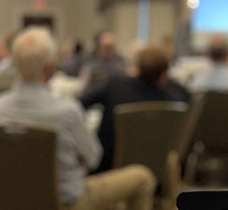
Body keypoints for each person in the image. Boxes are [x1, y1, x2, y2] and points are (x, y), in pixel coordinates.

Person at [0, 27, 157, 210]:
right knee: (143, 177)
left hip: (16, 206)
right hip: (66, 206)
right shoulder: (67, 111)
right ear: (50, 68)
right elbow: (93, 159)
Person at [80, 44, 189, 173]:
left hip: (109, 170)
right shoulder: (173, 104)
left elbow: (80, 103)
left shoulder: (115, 86)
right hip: (155, 172)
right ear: (165, 73)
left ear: (137, 66)